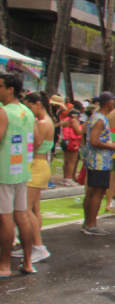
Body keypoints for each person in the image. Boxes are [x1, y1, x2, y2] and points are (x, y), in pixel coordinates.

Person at [0, 73, 37, 278]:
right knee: (22, 215)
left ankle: (4, 265)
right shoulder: (27, 112)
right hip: (22, 169)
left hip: (4, 171)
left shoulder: (3, 112)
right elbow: (37, 140)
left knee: (5, 217)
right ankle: (28, 262)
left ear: (10, 89)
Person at [23, 92, 54, 264]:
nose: (28, 110)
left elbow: (34, 145)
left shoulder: (42, 123)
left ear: (37, 105)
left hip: (36, 166)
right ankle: (32, 244)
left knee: (26, 209)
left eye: (29, 106)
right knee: (34, 208)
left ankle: (38, 246)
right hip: (40, 165)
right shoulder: (46, 121)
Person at [81, 91, 115, 235]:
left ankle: (87, 222)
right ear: (109, 103)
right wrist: (110, 146)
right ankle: (91, 224)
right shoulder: (100, 119)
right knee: (97, 191)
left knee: (92, 191)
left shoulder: (95, 117)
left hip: (94, 159)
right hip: (100, 161)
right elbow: (94, 141)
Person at [59, 107, 83, 186]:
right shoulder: (73, 121)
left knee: (67, 161)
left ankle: (65, 178)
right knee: (71, 162)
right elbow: (78, 131)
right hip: (72, 142)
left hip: (65, 140)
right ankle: (69, 179)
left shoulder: (66, 120)